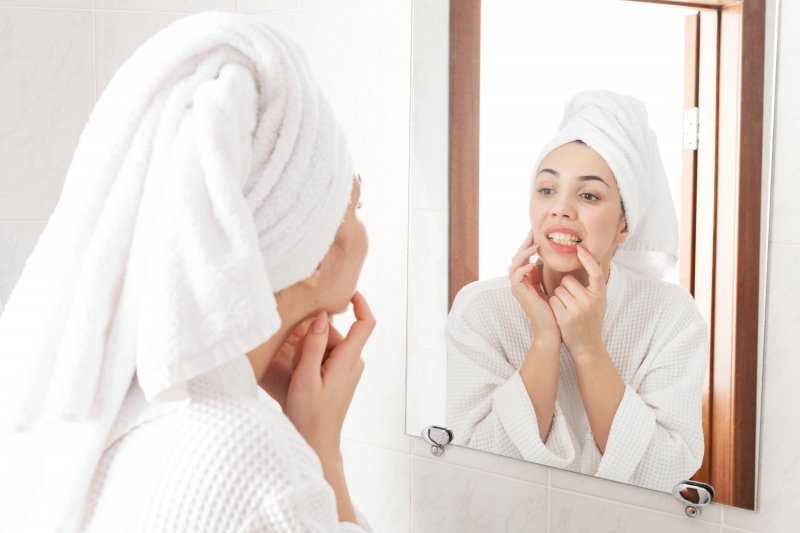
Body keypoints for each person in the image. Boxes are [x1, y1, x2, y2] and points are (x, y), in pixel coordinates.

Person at [0, 12, 374, 533]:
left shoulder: (97, 404)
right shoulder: (259, 470)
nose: (362, 230)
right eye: (355, 206)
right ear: (313, 252)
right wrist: (321, 446)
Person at [446, 90, 708, 493]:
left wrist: (587, 349)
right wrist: (544, 339)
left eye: (588, 195)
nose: (561, 208)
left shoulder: (670, 315)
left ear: (624, 224)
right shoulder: (480, 308)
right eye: (547, 189)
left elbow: (665, 471)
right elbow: (475, 463)